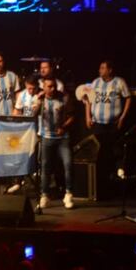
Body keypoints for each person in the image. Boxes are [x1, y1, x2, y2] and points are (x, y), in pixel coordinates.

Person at [83, 60, 131, 199]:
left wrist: (122, 117)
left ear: (110, 70)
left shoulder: (119, 82)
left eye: (103, 68)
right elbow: (88, 100)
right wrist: (88, 116)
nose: (100, 70)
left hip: (113, 124)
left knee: (114, 149)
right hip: (98, 123)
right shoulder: (95, 82)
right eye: (100, 68)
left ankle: (116, 176)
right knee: (99, 151)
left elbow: (128, 98)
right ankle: (100, 181)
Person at [37, 76, 75, 209]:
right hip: (47, 137)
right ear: (43, 87)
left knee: (68, 164)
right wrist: (37, 102)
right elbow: (31, 114)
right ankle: (44, 196)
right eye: (49, 86)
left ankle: (68, 194)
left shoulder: (64, 97)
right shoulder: (40, 99)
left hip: (62, 138)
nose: (52, 89)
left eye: (53, 86)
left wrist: (63, 127)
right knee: (45, 168)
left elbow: (72, 117)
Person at [5, 74, 43, 194]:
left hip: (39, 130)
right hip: (25, 130)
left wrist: (39, 100)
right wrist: (15, 120)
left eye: (33, 88)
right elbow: (17, 110)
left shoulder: (41, 94)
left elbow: (36, 112)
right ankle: (18, 182)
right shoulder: (22, 95)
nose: (31, 91)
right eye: (29, 88)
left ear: (37, 86)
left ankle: (37, 185)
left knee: (38, 157)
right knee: (21, 155)